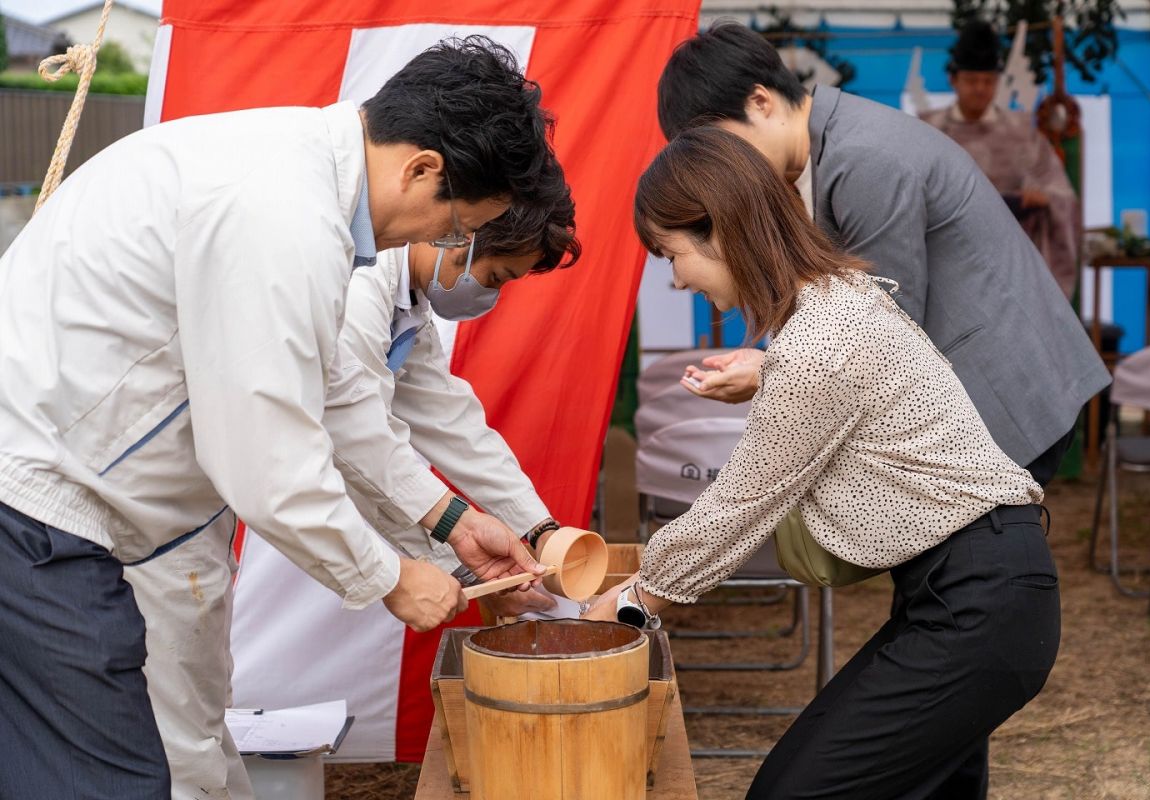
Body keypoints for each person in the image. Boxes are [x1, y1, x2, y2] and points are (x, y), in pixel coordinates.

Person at [0, 36, 553, 798]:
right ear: (423, 168)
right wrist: (392, 576)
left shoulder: (298, 182)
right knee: (120, 775)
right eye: (456, 227)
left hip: (106, 503)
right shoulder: (286, 217)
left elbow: (336, 403)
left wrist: (459, 527)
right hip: (41, 507)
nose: (439, 243)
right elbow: (271, 458)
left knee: (121, 758)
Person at [587, 125, 1060, 799]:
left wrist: (633, 599)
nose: (676, 278)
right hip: (973, 594)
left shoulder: (819, 343)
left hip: (982, 606)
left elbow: (740, 505)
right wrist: (768, 372)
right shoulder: (833, 304)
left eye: (670, 253)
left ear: (718, 230)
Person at [127, 185, 582, 799]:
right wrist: (450, 541)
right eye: (494, 274)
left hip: (199, 501)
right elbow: (354, 435)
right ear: (464, 228)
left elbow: (451, 421)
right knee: (182, 724)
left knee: (201, 698)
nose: (490, 295)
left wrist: (538, 530)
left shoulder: (407, 304)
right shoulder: (357, 279)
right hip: (154, 494)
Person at [656, 22, 1109, 486]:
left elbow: (883, 337)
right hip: (977, 394)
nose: (724, 169)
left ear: (760, 102)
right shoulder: (830, 146)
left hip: (1004, 392)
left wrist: (771, 373)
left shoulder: (862, 158)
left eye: (723, 147)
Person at [920, 19, 1082, 298]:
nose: (980, 89)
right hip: (945, 263)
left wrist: (1039, 198)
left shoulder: (1021, 132)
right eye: (971, 80)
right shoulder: (928, 130)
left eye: (988, 81)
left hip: (1012, 266)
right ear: (953, 80)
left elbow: (1062, 196)